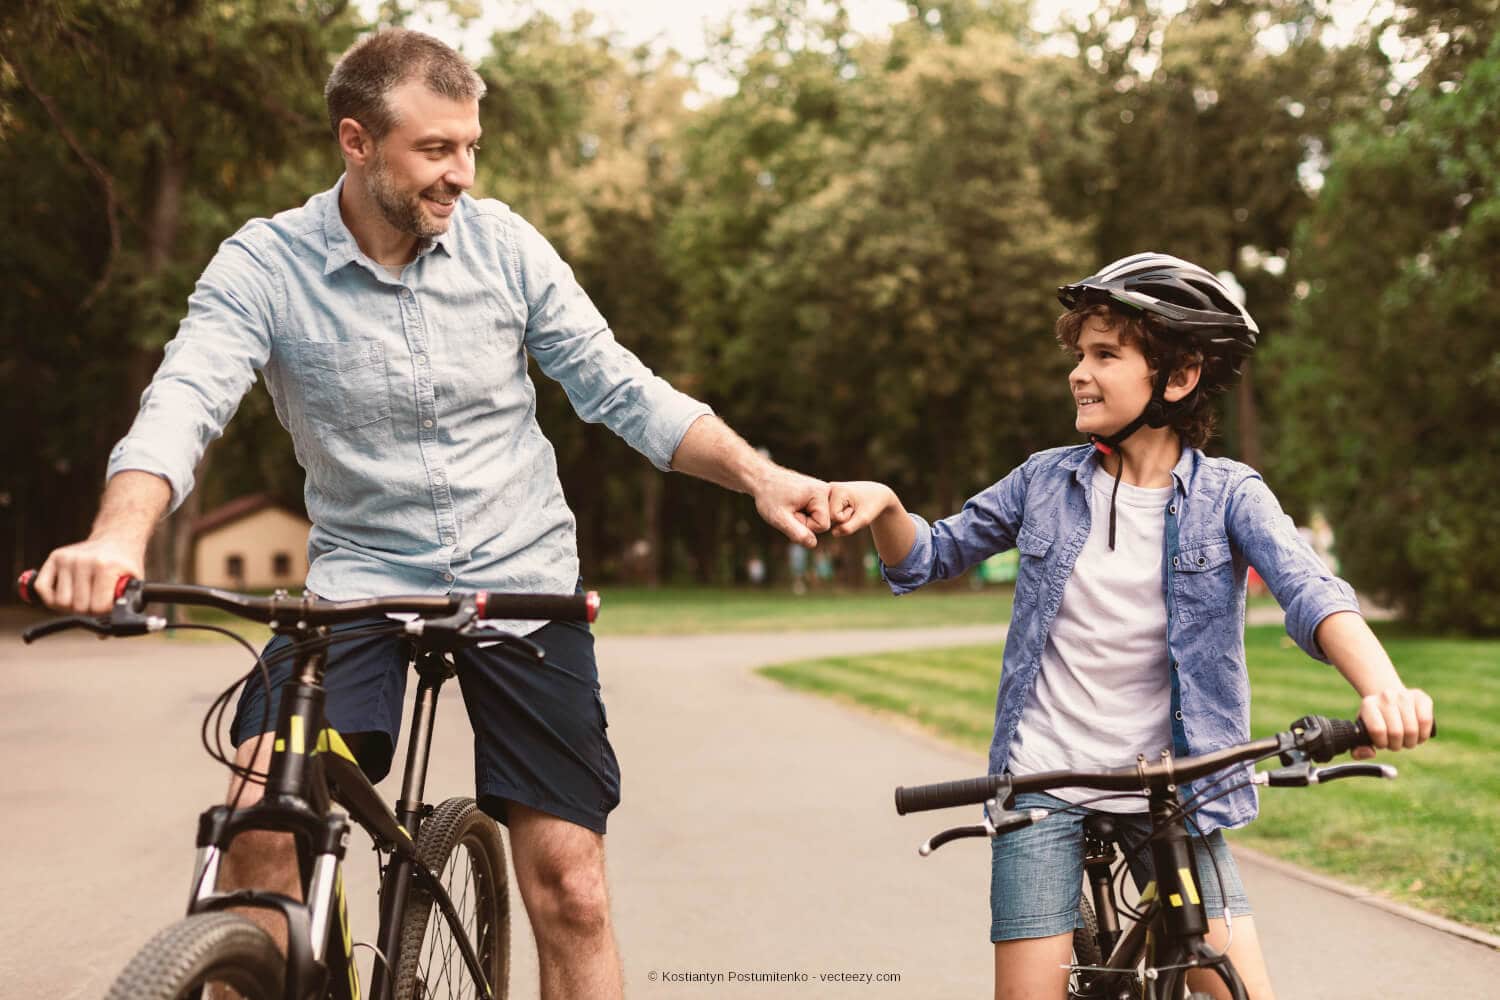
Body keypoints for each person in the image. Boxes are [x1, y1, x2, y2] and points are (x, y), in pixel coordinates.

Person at [31, 28, 831, 1000]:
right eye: (437, 149)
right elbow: (182, 403)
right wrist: (119, 533)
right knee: (257, 829)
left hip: (523, 581)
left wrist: (759, 476)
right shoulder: (266, 265)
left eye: (472, 148)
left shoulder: (505, 248)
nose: (462, 174)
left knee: (571, 886)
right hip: (358, 586)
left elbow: (625, 391)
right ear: (357, 141)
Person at [825, 253, 1435, 1000]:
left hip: (1171, 794)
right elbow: (928, 556)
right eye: (1080, 354)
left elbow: (1311, 592)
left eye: (1105, 354)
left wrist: (1384, 688)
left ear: (1176, 378)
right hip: (1046, 780)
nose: (1079, 372)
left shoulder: (1228, 495)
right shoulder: (1044, 481)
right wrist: (888, 508)